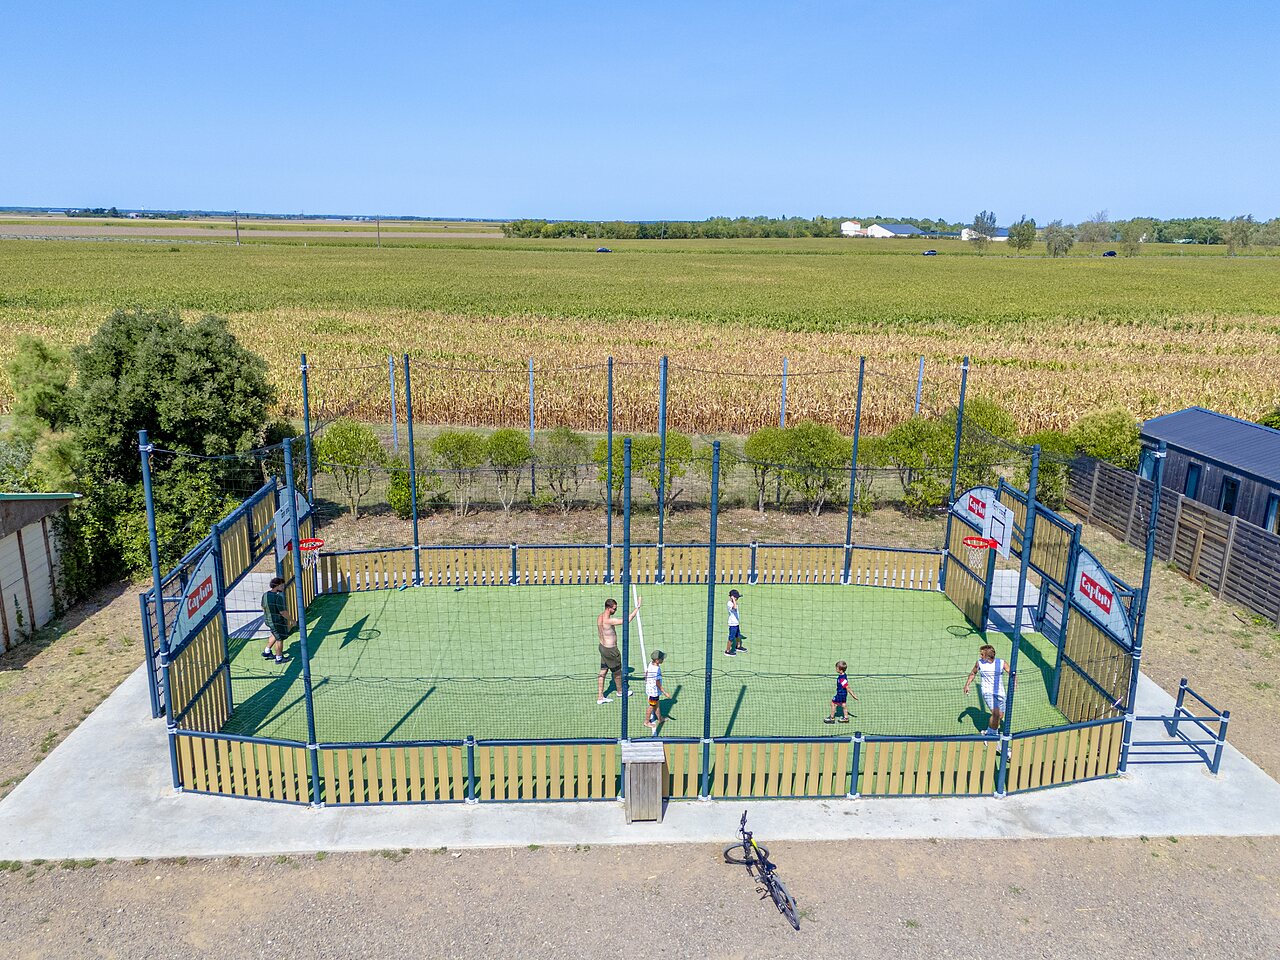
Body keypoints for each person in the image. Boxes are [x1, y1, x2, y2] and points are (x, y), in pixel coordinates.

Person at [596, 596, 639, 704]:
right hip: (611, 650)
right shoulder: (609, 620)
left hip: (602, 647)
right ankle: (620, 692)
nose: (615, 610)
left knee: (603, 672)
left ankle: (600, 697)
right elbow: (627, 620)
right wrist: (637, 608)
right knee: (617, 673)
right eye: (614, 609)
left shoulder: (600, 617)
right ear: (608, 608)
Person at [963, 644, 1012, 736]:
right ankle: (993, 737)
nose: (980, 656)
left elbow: (1012, 673)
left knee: (1000, 716)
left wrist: (1014, 681)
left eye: (982, 654)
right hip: (987, 692)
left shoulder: (1001, 663)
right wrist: (967, 685)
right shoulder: (979, 663)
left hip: (1000, 693)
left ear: (987, 655)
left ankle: (988, 732)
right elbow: (973, 673)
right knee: (996, 714)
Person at [261, 576, 294, 664]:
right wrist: (292, 620)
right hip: (276, 622)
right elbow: (283, 612)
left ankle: (267, 651)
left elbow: (263, 607)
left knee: (274, 634)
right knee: (279, 639)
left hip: (268, 621)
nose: (283, 587)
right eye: (282, 586)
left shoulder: (265, 595)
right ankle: (279, 658)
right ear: (278, 586)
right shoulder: (278, 598)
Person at [644, 650, 668, 729]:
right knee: (652, 706)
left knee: (657, 704)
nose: (663, 660)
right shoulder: (656, 670)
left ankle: (660, 719)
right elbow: (658, 683)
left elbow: (646, 673)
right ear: (657, 660)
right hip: (653, 692)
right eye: (662, 658)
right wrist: (664, 692)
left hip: (650, 689)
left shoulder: (651, 663)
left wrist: (647, 681)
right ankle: (646, 722)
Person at [724, 589, 747, 656]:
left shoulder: (733, 602)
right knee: (731, 638)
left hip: (736, 623)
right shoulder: (729, 603)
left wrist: (734, 599)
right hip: (732, 624)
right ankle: (727, 651)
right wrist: (733, 599)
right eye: (736, 597)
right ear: (732, 597)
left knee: (738, 635)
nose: (737, 599)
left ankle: (738, 647)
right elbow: (735, 607)